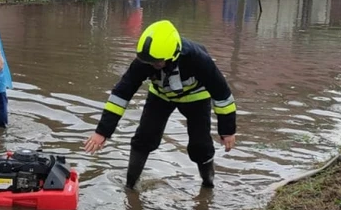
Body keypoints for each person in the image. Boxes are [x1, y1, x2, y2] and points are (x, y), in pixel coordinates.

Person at [83, 20, 237, 189]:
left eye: (156, 63)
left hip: (196, 98)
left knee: (200, 145)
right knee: (144, 137)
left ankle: (208, 185)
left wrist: (227, 131)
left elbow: (222, 94)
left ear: (172, 55)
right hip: (161, 96)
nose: (151, 66)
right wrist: (102, 131)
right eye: (149, 62)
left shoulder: (199, 59)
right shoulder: (145, 61)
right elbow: (121, 94)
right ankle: (130, 186)